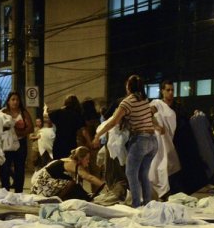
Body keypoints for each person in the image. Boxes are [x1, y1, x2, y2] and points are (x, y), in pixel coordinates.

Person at [96, 75, 161, 208]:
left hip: (140, 141)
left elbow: (113, 121)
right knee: (143, 173)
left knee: (131, 173)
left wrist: (98, 135)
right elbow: (150, 112)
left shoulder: (127, 102)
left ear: (128, 87)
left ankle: (136, 205)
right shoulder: (144, 99)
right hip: (153, 142)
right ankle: (147, 204)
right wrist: (158, 126)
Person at [30, 145, 104, 200]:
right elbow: (89, 177)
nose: (88, 161)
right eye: (87, 159)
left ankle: (86, 197)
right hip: (42, 187)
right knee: (72, 184)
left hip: (45, 185)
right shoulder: (72, 163)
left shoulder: (70, 162)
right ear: (80, 158)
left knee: (74, 185)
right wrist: (104, 185)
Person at [147, 80, 180, 201]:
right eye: (168, 90)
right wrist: (156, 126)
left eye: (172, 90)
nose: (171, 92)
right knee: (157, 168)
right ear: (162, 91)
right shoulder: (158, 103)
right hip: (157, 142)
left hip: (168, 143)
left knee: (164, 168)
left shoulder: (174, 107)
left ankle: (162, 195)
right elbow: (148, 113)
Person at [0, 91, 34, 192]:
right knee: (5, 168)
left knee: (20, 169)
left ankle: (19, 192)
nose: (15, 102)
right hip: (6, 144)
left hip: (20, 144)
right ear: (8, 101)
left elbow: (31, 128)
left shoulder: (23, 113)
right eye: (13, 99)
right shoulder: (3, 113)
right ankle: (5, 190)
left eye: (17, 100)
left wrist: (19, 133)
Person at [49, 95, 84, 160]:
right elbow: (82, 129)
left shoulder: (59, 112)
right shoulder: (77, 115)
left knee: (58, 164)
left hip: (58, 143)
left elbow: (49, 118)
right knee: (70, 164)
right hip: (71, 144)